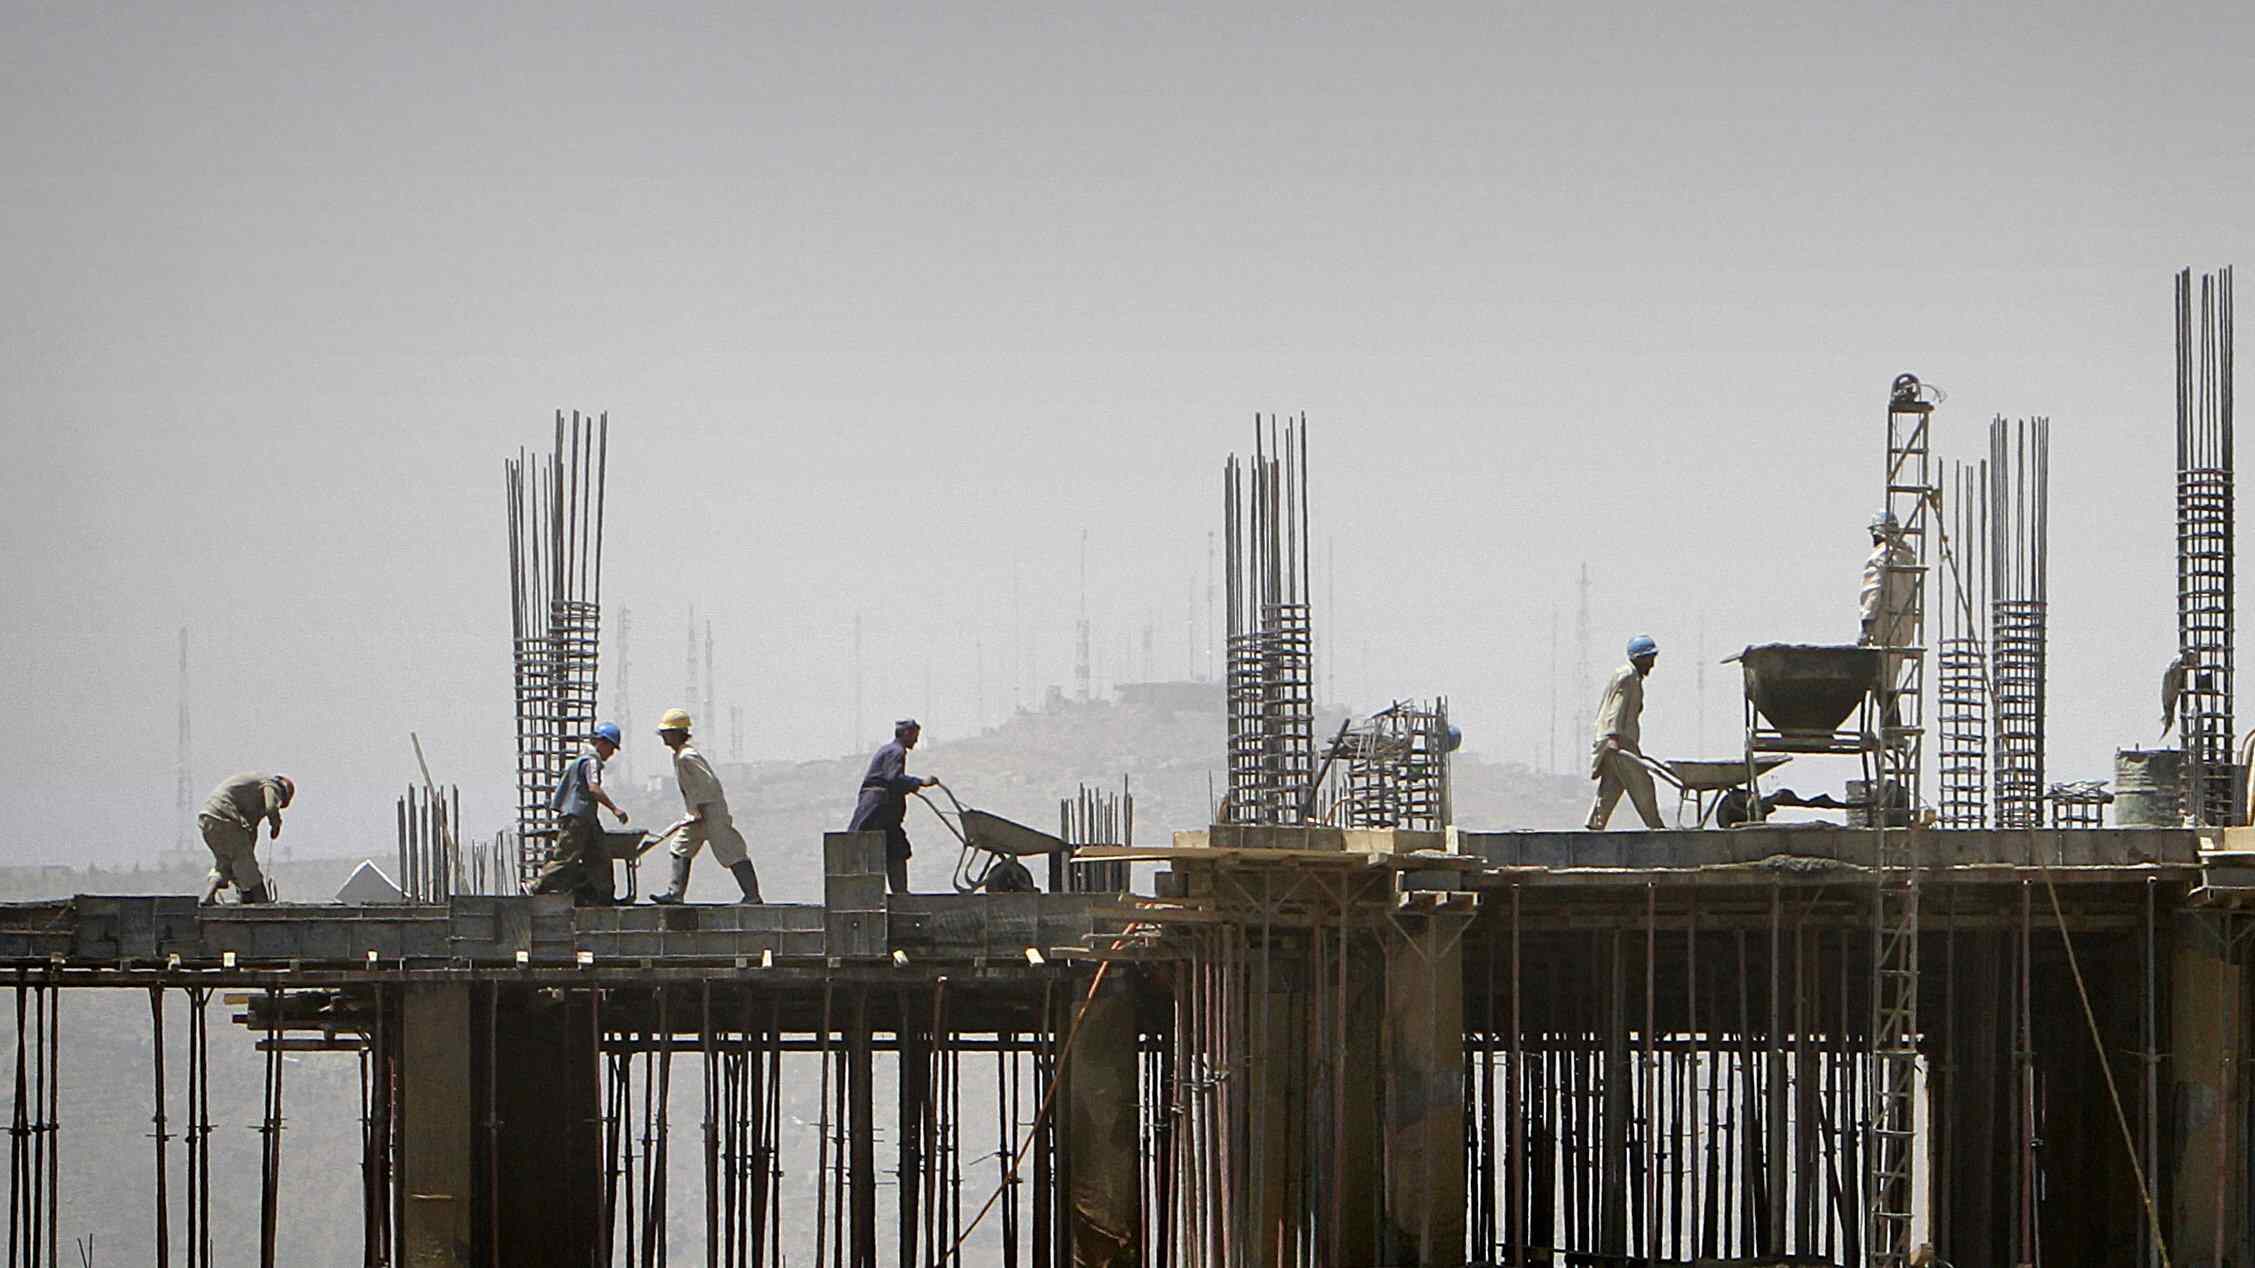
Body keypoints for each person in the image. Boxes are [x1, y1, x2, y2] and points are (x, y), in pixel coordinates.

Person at [649, 708, 763, 904]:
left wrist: (701, 808)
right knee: (680, 847)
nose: (664, 737)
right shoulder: (679, 756)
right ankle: (675, 894)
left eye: (667, 733)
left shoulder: (687, 756)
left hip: (710, 812)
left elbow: (708, 783)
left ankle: (752, 896)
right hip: (698, 813)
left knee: (731, 850)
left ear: (678, 733)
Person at [532, 722, 628, 904]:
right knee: (567, 858)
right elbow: (593, 788)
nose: (611, 754)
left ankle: (605, 897)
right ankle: (536, 885)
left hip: (587, 818)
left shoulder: (582, 760)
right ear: (602, 743)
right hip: (578, 817)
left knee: (600, 857)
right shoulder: (591, 761)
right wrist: (615, 809)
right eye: (611, 748)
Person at [848, 719, 939, 893]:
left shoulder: (888, 750)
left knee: (888, 848)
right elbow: (893, 778)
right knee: (896, 848)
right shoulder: (896, 751)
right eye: (914, 736)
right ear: (906, 734)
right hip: (878, 810)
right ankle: (900, 893)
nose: (916, 741)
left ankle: (897, 892)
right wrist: (920, 782)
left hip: (876, 808)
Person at [1586, 636, 1666, 831]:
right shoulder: (1628, 676)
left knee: (1611, 788)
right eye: (1649, 659)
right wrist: (1613, 738)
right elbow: (1615, 708)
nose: (1652, 664)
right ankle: (1658, 829)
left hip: (1618, 741)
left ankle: (1595, 825)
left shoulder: (1633, 677)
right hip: (1618, 741)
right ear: (1639, 658)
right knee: (1642, 784)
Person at [197, 772, 293, 904]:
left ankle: (207, 897)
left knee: (224, 864)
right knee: (247, 866)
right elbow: (271, 808)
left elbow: (251, 832)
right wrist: (275, 824)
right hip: (225, 816)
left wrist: (248, 854)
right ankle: (263, 905)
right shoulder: (271, 785)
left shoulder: (251, 795)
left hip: (207, 818)